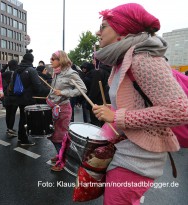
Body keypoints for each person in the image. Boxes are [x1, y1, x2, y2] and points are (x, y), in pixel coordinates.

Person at [93, 3, 188, 204]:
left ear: (122, 29)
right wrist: (112, 109)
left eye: (103, 27)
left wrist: (118, 116)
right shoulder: (123, 59)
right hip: (127, 153)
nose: (97, 32)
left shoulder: (142, 58)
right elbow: (140, 101)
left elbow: (180, 111)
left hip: (138, 160)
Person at [46, 50, 87, 171]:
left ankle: (61, 162)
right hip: (54, 107)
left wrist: (64, 92)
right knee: (52, 134)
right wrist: (49, 96)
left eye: (53, 59)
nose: (50, 60)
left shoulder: (71, 73)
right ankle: (60, 155)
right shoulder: (56, 72)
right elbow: (54, 89)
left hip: (63, 108)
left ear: (61, 60)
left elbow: (82, 89)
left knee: (59, 137)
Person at [10, 49, 49, 146]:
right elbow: (37, 87)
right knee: (26, 119)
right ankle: (24, 139)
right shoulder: (31, 70)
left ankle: (21, 137)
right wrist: (47, 91)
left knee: (22, 118)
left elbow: (12, 85)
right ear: (32, 60)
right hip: (28, 98)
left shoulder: (16, 71)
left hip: (18, 98)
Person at [83, 61, 111, 127]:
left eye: (94, 59)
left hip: (98, 103)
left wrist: (89, 104)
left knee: (97, 127)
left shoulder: (98, 71)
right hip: (108, 101)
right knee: (106, 125)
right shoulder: (112, 69)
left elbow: (94, 89)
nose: (92, 61)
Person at [1, 59, 19, 137]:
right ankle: (10, 130)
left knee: (8, 113)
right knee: (13, 114)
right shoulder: (17, 73)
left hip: (7, 96)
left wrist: (5, 66)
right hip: (15, 96)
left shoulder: (6, 73)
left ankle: (9, 128)